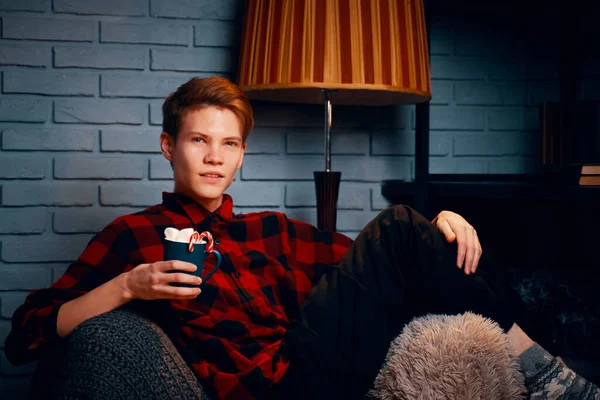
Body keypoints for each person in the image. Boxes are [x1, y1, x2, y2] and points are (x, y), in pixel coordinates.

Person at [4, 77, 598, 400]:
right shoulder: (134, 234)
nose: (213, 158)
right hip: (266, 388)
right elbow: (27, 332)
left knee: (405, 230)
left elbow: (392, 262)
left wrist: (444, 224)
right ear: (169, 146)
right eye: (197, 140)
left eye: (229, 144)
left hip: (315, 362)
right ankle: (552, 369)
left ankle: (546, 364)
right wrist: (128, 286)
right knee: (400, 227)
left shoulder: (273, 230)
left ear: (241, 155)